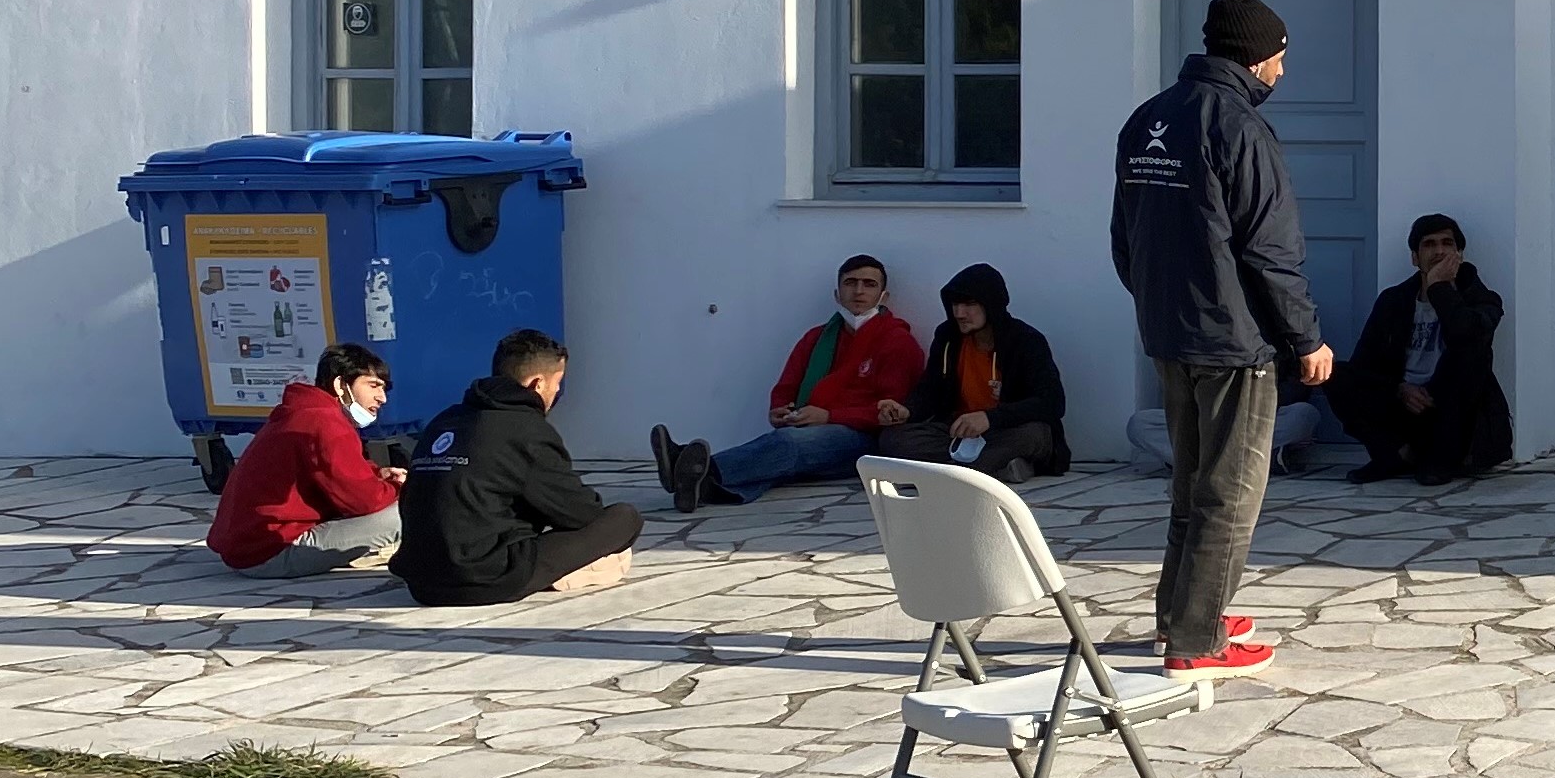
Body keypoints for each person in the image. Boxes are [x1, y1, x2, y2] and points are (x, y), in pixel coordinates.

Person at [1113, 0, 1331, 681]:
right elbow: (1270, 249)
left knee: (1189, 482)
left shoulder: (1149, 116)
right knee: (1230, 493)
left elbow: (1126, 237)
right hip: (1234, 342)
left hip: (1167, 332)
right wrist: (1306, 338)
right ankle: (1197, 639)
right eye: (1282, 58)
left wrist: (1157, 304)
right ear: (1259, 56)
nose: (1284, 73)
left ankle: (1179, 613)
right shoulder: (1238, 126)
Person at [651, 254, 923, 512]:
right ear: (837, 293)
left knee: (788, 445)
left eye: (869, 284)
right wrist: (780, 409)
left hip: (864, 439)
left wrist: (830, 416)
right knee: (781, 457)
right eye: (850, 283)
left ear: (883, 296)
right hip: (808, 427)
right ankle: (703, 488)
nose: (859, 291)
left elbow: (891, 412)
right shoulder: (816, 338)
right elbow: (786, 386)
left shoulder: (897, 343)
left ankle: (696, 468)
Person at [391, 330, 640, 606]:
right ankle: (570, 573)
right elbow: (581, 513)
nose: (557, 392)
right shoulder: (526, 430)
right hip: (484, 580)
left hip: (421, 582)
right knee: (624, 519)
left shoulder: (444, 420)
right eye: (557, 384)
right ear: (537, 384)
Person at [1327, 214, 1514, 486]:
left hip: (1452, 410)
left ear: (1458, 254)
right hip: (1403, 403)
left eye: (1447, 244)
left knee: (1470, 354)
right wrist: (1399, 388)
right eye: (1429, 245)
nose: (1439, 251)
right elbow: (1363, 365)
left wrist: (1440, 287)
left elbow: (1466, 336)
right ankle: (1394, 454)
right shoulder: (1393, 301)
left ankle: (1439, 459)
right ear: (1415, 257)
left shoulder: (1482, 299)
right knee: (1332, 373)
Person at [206, 344, 405, 575]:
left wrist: (377, 476)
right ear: (341, 385)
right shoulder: (326, 423)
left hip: (247, 549)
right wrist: (396, 487)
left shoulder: (305, 413)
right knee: (408, 508)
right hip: (271, 552)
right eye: (373, 386)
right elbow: (362, 501)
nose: (382, 398)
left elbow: (336, 476)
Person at [873, 263, 1070, 484]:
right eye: (955, 304)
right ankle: (991, 468)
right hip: (960, 432)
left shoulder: (1026, 340)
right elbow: (930, 390)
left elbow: (1052, 402)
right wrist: (906, 411)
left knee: (1035, 434)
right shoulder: (948, 336)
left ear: (991, 304)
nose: (959, 313)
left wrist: (989, 418)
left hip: (1004, 429)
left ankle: (953, 474)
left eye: (969, 304)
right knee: (893, 439)